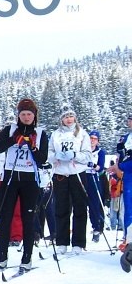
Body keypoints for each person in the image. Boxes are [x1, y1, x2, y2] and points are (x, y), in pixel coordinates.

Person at [0, 98, 49, 273]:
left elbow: (42, 159)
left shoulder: (40, 133)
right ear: (18, 115)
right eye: (23, 114)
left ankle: (27, 257)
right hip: (10, 178)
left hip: (30, 180)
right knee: (5, 217)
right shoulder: (10, 129)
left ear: (34, 115)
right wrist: (12, 140)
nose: (26, 117)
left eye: (29, 114)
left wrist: (32, 147)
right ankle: (2, 256)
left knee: (28, 218)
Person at [48, 105, 91, 254]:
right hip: (60, 174)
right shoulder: (55, 135)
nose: (69, 119)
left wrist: (75, 155)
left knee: (80, 208)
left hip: (77, 173)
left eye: (71, 116)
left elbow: (87, 155)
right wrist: (56, 156)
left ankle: (78, 243)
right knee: (61, 208)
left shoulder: (82, 134)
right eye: (66, 117)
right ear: (61, 119)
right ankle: (62, 241)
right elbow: (49, 153)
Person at [109, 113, 132, 251]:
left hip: (128, 170)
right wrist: (117, 166)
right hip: (128, 176)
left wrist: (120, 166)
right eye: (129, 120)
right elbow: (120, 156)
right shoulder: (126, 138)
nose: (129, 122)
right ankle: (128, 239)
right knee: (128, 209)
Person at [83, 130, 106, 242]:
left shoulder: (100, 152)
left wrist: (94, 165)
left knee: (94, 204)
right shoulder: (83, 149)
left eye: (95, 139)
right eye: (90, 138)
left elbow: (101, 167)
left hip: (93, 177)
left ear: (98, 141)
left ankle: (97, 228)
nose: (92, 140)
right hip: (83, 176)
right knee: (80, 203)